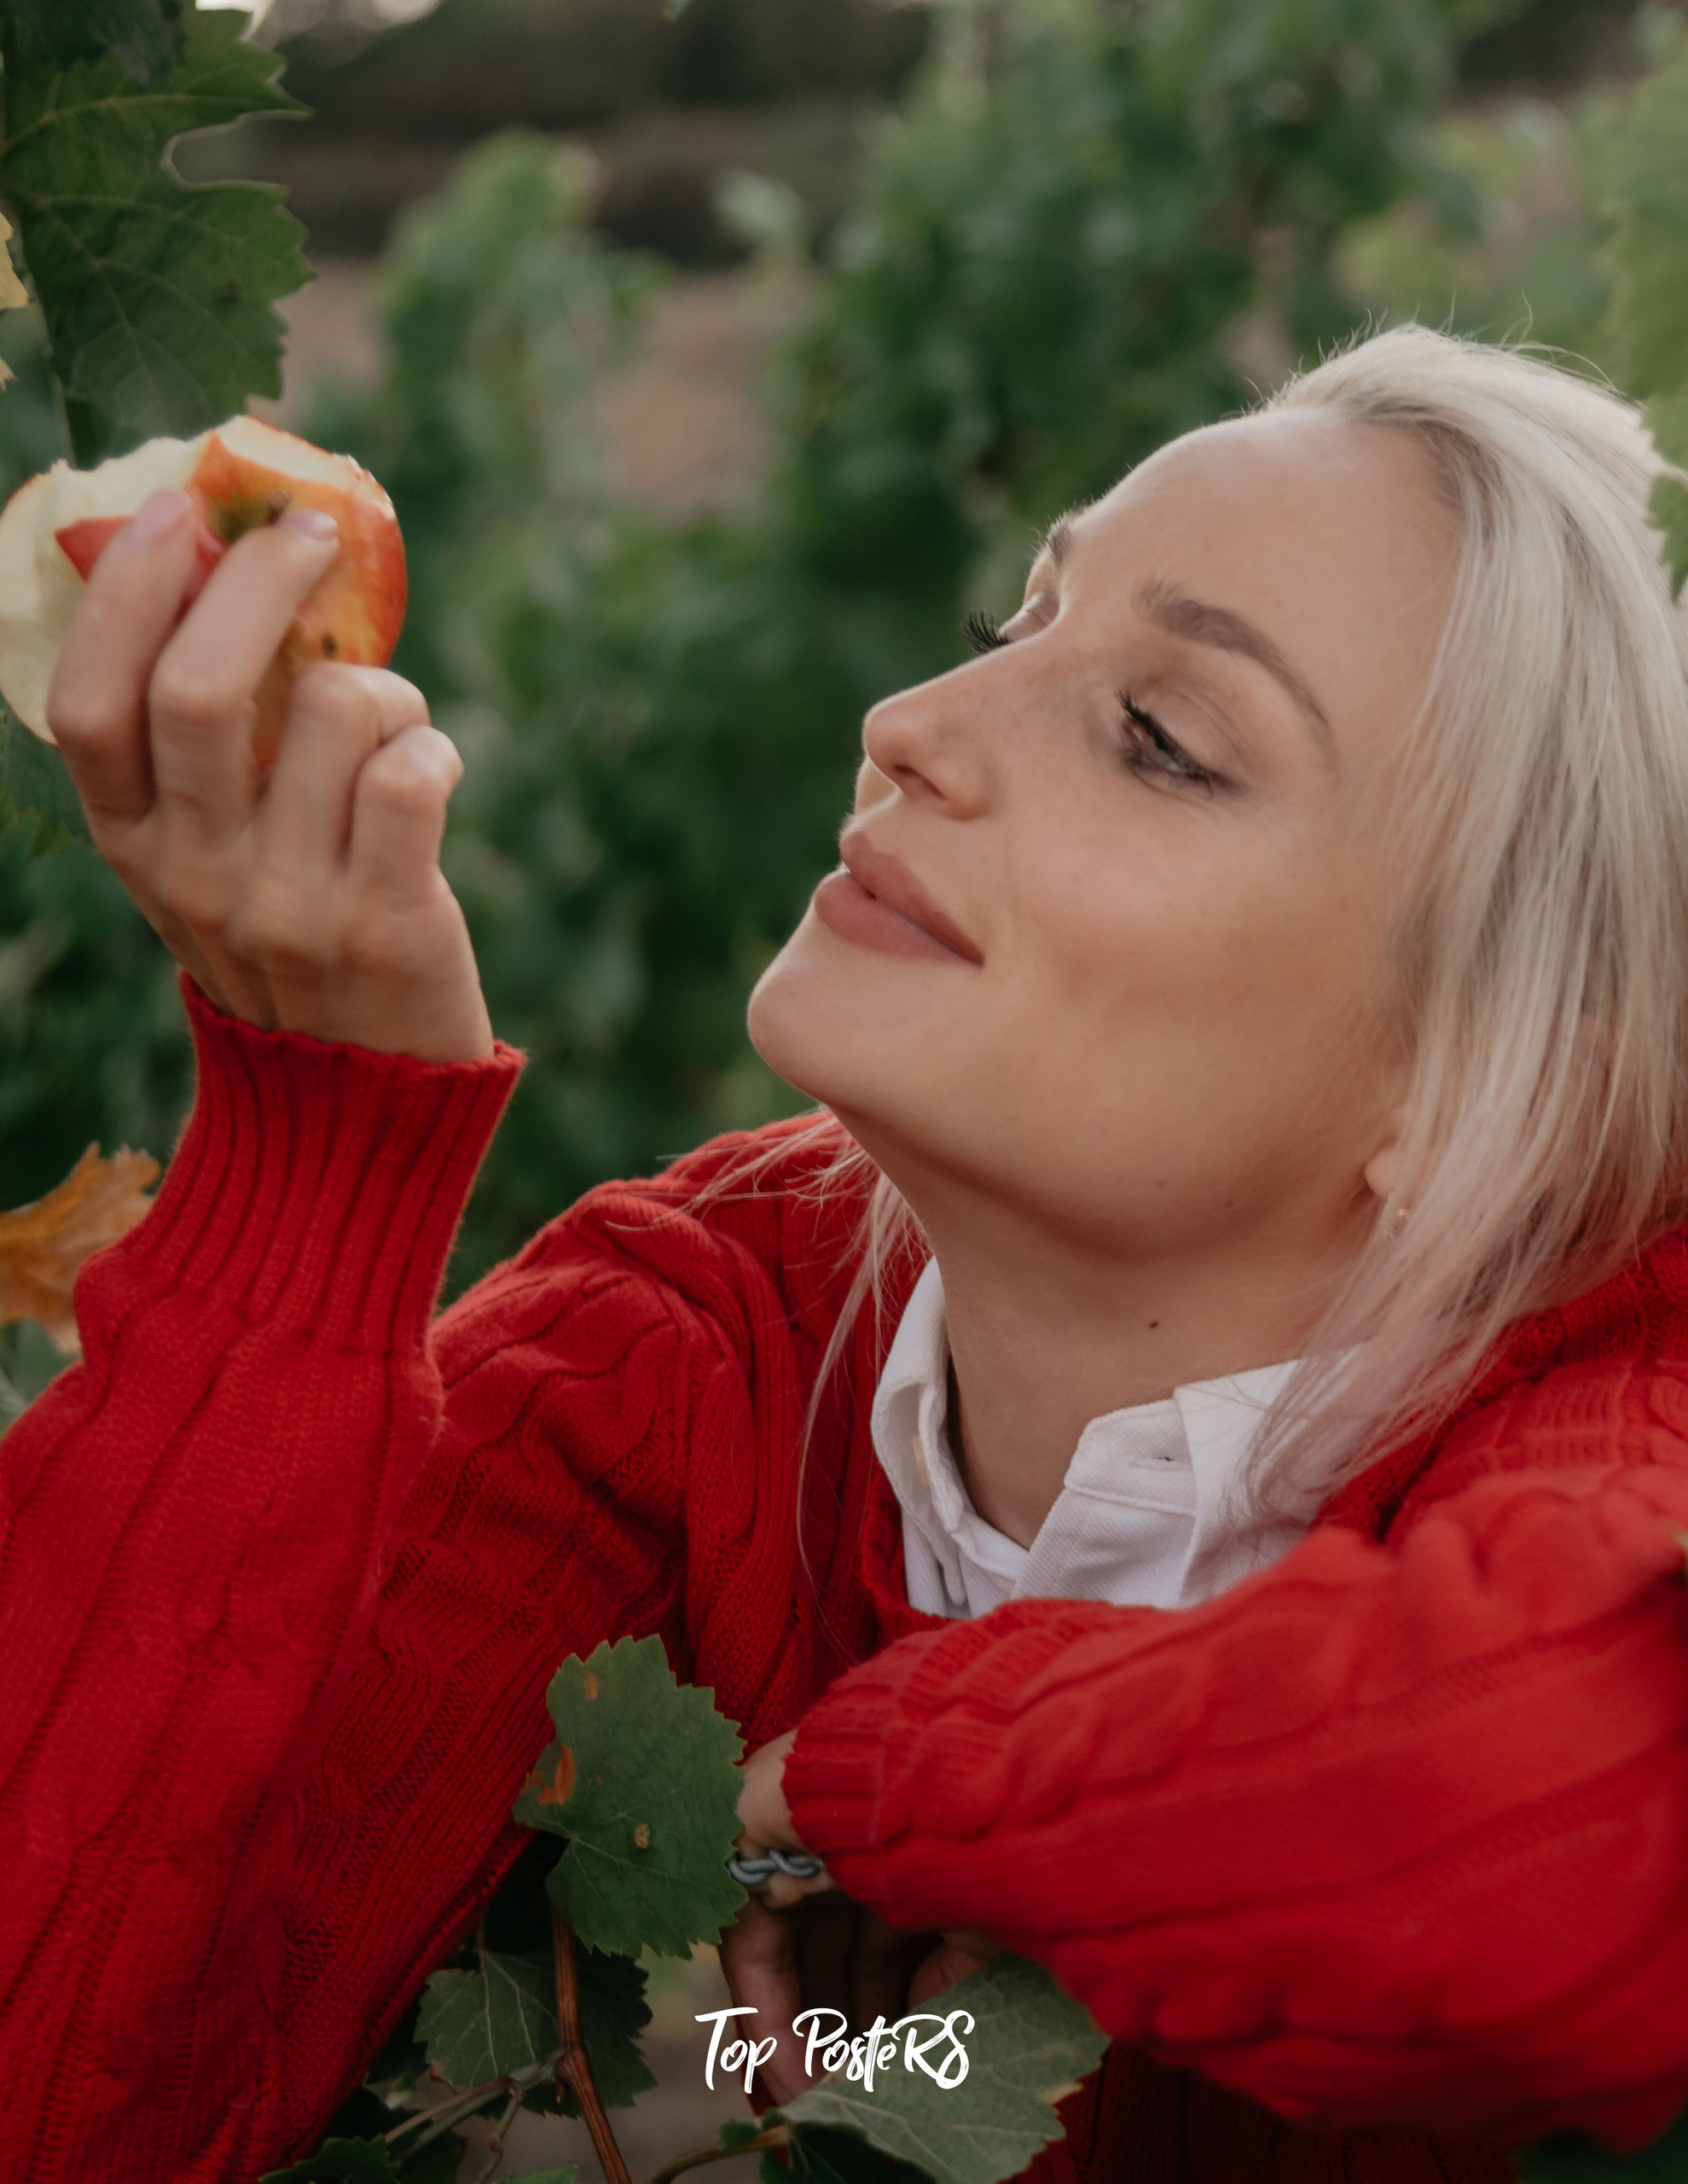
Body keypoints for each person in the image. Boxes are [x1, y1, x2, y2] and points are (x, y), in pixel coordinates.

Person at [6, 322, 1688, 2184]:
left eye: (1159, 737)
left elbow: (1554, 1846)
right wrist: (320, 1153)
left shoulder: (1629, 1400)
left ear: (1465, 1084)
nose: (913, 725)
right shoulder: (675, 1356)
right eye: (1010, 625)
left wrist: (890, 1783)